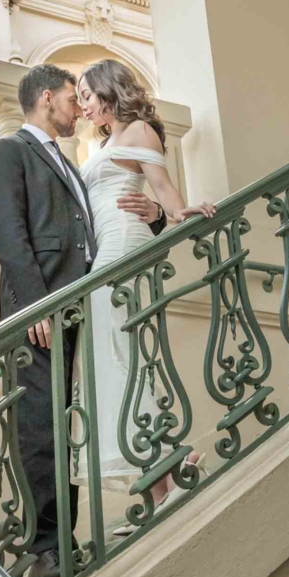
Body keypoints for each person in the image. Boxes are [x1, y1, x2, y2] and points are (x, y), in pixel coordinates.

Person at [0, 64, 165, 577]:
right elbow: (10, 236)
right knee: (40, 424)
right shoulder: (9, 151)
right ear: (45, 98)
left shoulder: (70, 160)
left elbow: (108, 213)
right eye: (70, 97)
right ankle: (47, 548)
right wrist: (36, 308)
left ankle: (67, 538)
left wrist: (153, 215)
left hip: (77, 307)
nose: (79, 108)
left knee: (68, 423)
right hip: (41, 314)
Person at [74, 59, 216, 512]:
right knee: (113, 357)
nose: (83, 106)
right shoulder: (108, 140)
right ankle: (166, 475)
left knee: (119, 355)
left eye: (87, 96)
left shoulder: (139, 132)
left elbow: (165, 190)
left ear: (108, 91)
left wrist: (178, 212)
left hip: (122, 246)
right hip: (103, 251)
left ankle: (168, 466)